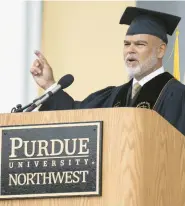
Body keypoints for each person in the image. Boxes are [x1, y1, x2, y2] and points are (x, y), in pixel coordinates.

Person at [30, 6, 185, 136]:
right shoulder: (114, 96)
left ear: (160, 50)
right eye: (126, 44)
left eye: (139, 44)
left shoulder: (177, 95)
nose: (130, 50)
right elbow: (76, 116)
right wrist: (49, 84)